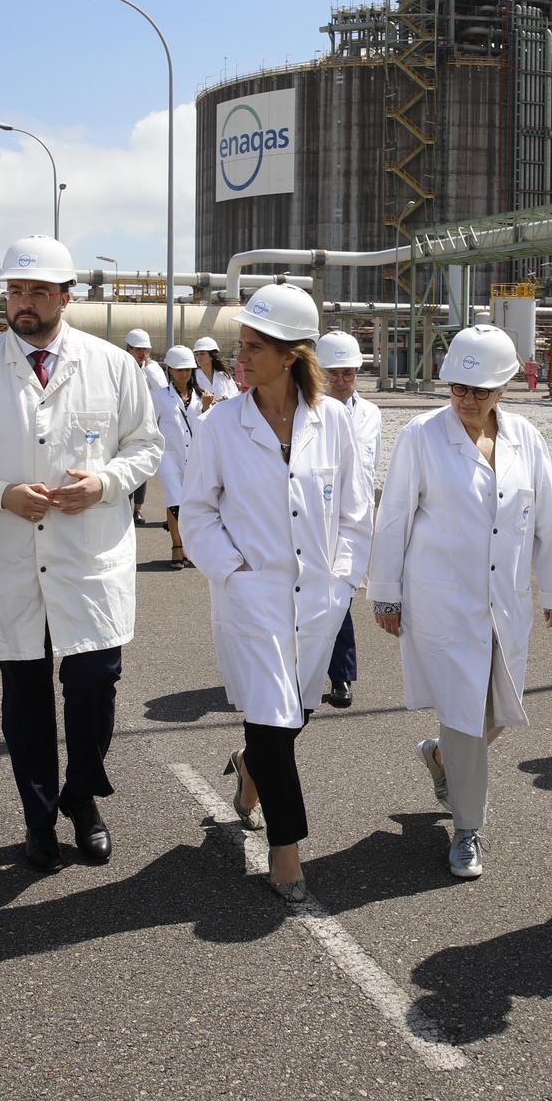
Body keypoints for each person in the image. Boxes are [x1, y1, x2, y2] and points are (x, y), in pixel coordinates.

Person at [0, 237, 161, 873]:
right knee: (26, 695)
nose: (24, 304)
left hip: (89, 555)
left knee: (94, 684)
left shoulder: (113, 365)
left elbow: (146, 445)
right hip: (10, 555)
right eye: (15, 291)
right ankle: (39, 819)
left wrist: (104, 484)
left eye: (38, 292)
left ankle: (82, 796)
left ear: (66, 297)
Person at [178, 285, 372, 903]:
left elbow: (355, 511)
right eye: (242, 345)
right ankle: (286, 851)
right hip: (252, 595)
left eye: (255, 347)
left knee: (295, 714)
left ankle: (250, 770)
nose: (242, 357)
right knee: (270, 714)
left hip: (318, 598)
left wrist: (343, 577)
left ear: (291, 355)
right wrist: (232, 572)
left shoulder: (334, 421)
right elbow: (198, 511)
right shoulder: (220, 425)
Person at [368, 324, 552, 878]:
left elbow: (547, 519)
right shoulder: (421, 436)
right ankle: (467, 830)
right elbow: (393, 521)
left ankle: (440, 759)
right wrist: (385, 595)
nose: (467, 399)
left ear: (505, 386)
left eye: (480, 390)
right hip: (442, 600)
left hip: (504, 602)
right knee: (464, 714)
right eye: (459, 387)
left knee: (499, 709)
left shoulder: (527, 439)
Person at [316, 330, 382, 709]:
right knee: (313, 598)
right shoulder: (305, 411)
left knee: (340, 597)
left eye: (348, 374)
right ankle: (306, 669)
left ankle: (341, 677)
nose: (341, 381)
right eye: (333, 374)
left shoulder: (371, 414)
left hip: (356, 521)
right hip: (315, 518)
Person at [153, 345, 203, 568]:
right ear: (170, 370)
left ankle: (190, 547)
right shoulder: (159, 397)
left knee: (192, 502)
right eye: (179, 370)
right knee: (175, 499)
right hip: (168, 455)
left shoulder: (202, 397)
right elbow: (150, 426)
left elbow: (207, 426)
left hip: (194, 455)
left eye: (187, 370)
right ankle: (177, 546)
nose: (184, 374)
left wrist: (208, 408)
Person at [124, 328, 166, 525]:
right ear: (129, 349)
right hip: (124, 421)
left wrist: (149, 369)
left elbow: (161, 391)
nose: (142, 354)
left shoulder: (152, 369)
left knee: (141, 466)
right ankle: (124, 506)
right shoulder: (121, 365)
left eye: (145, 350)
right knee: (123, 465)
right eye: (138, 349)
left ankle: (137, 510)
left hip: (146, 423)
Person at [193, 336, 239, 407]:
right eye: (196, 354)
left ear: (212, 356)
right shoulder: (192, 377)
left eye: (202, 353)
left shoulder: (223, 375)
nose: (198, 357)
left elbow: (235, 394)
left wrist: (223, 398)